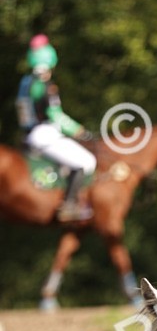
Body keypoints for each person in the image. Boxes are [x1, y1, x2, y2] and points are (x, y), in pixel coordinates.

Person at [16, 34, 95, 223]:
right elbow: (55, 114)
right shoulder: (45, 84)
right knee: (86, 161)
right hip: (46, 134)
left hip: (29, 134)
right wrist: (79, 131)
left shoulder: (25, 83)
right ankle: (69, 205)